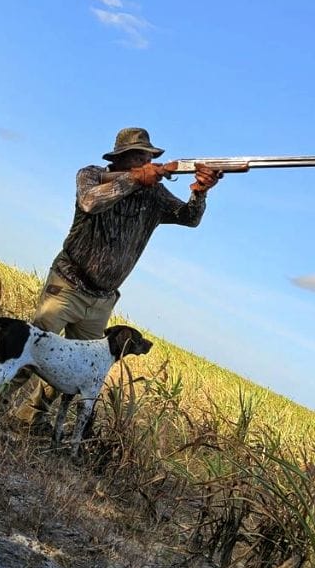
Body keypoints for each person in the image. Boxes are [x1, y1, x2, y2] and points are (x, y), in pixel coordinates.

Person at [13, 126, 226, 428]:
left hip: (102, 299)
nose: (146, 162)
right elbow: (90, 201)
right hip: (67, 285)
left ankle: (31, 418)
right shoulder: (92, 175)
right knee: (32, 349)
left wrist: (200, 192)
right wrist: (136, 179)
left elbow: (189, 219)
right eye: (139, 157)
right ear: (121, 159)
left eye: (149, 157)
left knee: (72, 366)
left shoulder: (154, 195)